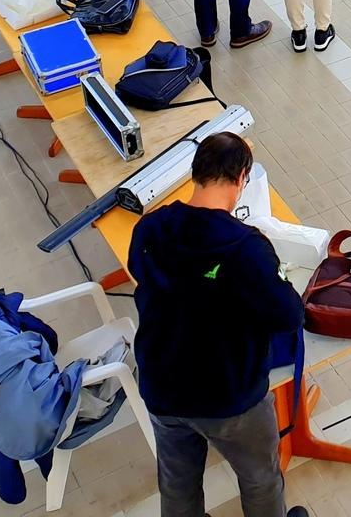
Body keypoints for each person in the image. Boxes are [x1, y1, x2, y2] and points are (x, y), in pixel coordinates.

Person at [128, 131, 309, 517]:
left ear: (195, 173)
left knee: (177, 484)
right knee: (260, 478)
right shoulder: (246, 248)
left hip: (162, 385)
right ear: (242, 179)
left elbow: (139, 271)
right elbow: (289, 316)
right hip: (229, 396)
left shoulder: (151, 228)